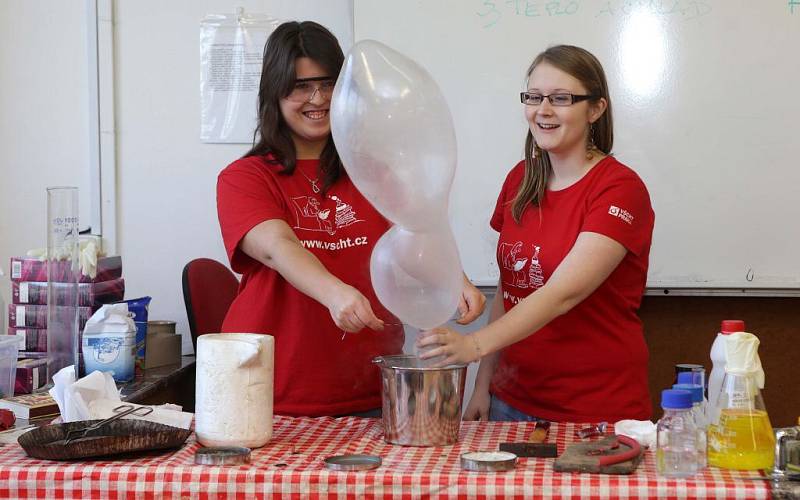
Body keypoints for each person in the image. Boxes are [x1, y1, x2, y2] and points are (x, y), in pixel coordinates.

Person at [216, 21, 485, 417]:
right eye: (301, 86)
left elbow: (415, 235)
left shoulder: (374, 171)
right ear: (274, 91)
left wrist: (454, 279)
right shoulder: (245, 177)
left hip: (368, 386)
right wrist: (334, 293)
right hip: (273, 392)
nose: (318, 98)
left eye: (328, 83)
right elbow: (277, 247)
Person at [418, 45, 655, 423]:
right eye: (534, 96)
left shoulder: (620, 189)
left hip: (593, 409)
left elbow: (562, 293)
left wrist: (474, 345)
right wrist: (484, 384)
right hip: (512, 400)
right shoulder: (520, 178)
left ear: (595, 109)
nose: (542, 110)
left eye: (561, 98)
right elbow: (509, 289)